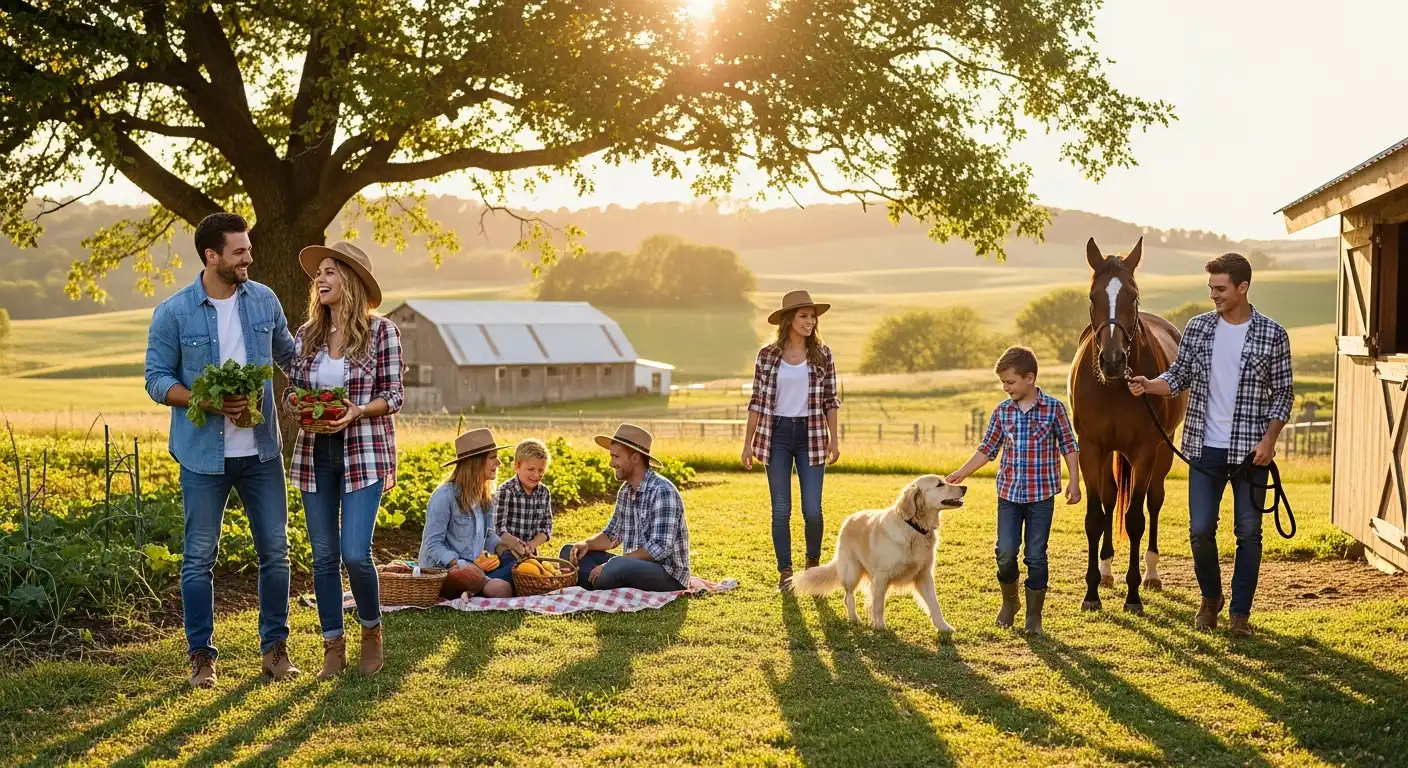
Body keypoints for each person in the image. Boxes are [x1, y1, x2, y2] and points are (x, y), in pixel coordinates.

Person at [143, 212, 299, 688]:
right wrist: (203, 400)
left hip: (261, 452)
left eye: (248, 250)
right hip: (203, 457)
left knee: (276, 552)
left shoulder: (265, 301)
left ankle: (275, 651)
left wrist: (302, 392)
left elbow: (290, 356)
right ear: (211, 256)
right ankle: (202, 658)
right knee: (198, 559)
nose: (248, 258)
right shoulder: (174, 312)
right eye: (239, 252)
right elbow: (156, 379)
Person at [1128, 253, 1293, 637]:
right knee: (1200, 530)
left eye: (1220, 289)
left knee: (1248, 533)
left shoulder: (1273, 334)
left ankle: (1239, 614)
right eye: (1211, 289)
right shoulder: (1199, 329)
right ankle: (1210, 597)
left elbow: (1284, 395)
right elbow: (1179, 374)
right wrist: (1150, 385)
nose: (1213, 295)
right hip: (1204, 447)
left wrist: (1270, 440)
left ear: (1242, 288)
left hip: (1252, 452)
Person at [286, 241, 404, 679]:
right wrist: (298, 404)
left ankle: (371, 632)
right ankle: (332, 646)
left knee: (355, 553)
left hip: (364, 452)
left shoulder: (381, 332)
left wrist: (356, 410)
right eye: (320, 273)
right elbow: (293, 389)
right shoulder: (307, 336)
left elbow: (393, 395)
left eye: (331, 272)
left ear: (351, 281)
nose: (321, 278)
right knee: (322, 557)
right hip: (316, 451)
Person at [947, 346, 1080, 635]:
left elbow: (1069, 445)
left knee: (1035, 555)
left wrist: (1074, 480)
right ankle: (1010, 602)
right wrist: (962, 472)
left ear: (1029, 378)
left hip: (1041, 496)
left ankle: (1034, 616)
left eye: (1010, 382)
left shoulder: (1054, 409)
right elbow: (987, 449)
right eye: (1003, 383)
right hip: (1008, 494)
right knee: (1005, 552)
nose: (1006, 388)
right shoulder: (1002, 411)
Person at [740, 289, 841, 592]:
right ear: (789, 319)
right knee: (780, 509)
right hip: (777, 436)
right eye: (804, 316)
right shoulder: (767, 356)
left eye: (813, 317)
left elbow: (831, 401)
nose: (810, 322)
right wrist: (747, 443)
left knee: (812, 509)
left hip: (811, 435)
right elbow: (756, 401)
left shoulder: (823, 355)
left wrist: (834, 440)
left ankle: (812, 568)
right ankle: (785, 573)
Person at [562, 424, 690, 592]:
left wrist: (612, 564)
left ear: (635, 458)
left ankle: (593, 580)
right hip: (632, 566)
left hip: (667, 574)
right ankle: (598, 580)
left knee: (616, 567)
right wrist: (586, 544)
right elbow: (611, 535)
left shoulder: (663, 491)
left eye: (615, 457)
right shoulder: (626, 491)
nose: (610, 463)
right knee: (569, 552)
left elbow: (659, 548)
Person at [419, 428, 519, 599]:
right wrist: (460, 564)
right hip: (444, 572)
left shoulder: (484, 495)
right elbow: (432, 544)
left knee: (516, 564)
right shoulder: (444, 496)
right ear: (476, 462)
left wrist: (504, 549)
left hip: (472, 567)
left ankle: (479, 587)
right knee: (502, 589)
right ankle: (479, 587)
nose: (499, 463)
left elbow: (487, 535)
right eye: (493, 457)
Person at [494, 438, 554, 557]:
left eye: (541, 470)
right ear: (517, 466)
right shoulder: (505, 491)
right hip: (506, 552)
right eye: (531, 469)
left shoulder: (543, 493)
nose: (536, 475)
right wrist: (516, 544)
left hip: (530, 552)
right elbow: (498, 528)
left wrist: (532, 544)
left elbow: (546, 528)